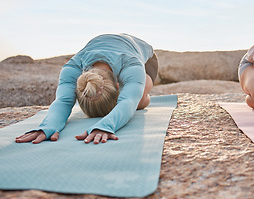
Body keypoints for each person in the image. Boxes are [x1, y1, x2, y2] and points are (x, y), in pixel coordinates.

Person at [15, 33, 158, 144]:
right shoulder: (72, 68)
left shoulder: (131, 64)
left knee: (140, 101)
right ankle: (130, 88)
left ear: (117, 86)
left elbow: (129, 100)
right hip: (105, 44)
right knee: (132, 91)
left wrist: (106, 125)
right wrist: (48, 126)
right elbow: (63, 101)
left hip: (142, 54)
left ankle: (138, 91)